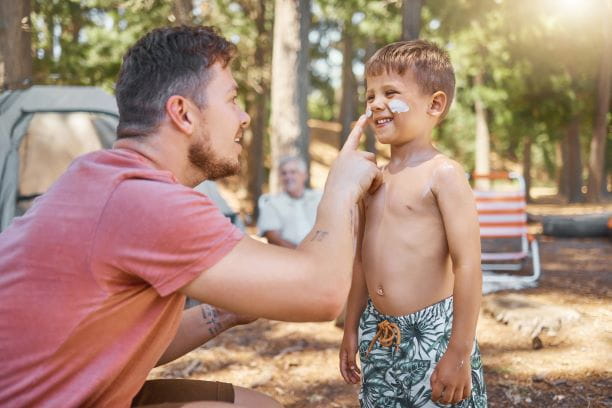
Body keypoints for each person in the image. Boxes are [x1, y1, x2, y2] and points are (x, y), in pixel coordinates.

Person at [0, 26, 382, 407]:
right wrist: (341, 187)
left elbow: (126, 345)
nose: (244, 116)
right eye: (231, 99)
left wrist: (224, 312)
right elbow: (322, 293)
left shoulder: (102, 177)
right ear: (182, 113)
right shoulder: (144, 200)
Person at [339, 40, 487, 407]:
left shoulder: (443, 175)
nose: (375, 103)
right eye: (370, 94)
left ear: (435, 104)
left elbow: (467, 264)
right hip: (380, 333)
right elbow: (361, 262)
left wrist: (459, 353)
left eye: (390, 92)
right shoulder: (372, 179)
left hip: (434, 336)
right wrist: (351, 326)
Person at [257, 156, 322, 248]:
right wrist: (302, 254)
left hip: (323, 252)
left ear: (304, 175)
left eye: (293, 172)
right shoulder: (271, 203)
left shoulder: (319, 198)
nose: (288, 177)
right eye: (284, 173)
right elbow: (273, 238)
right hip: (290, 256)